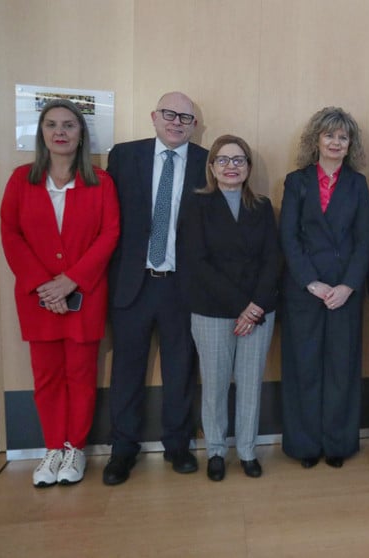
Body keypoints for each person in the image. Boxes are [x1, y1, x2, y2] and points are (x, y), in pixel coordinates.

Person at [0, 98, 120, 486]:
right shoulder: (22, 179)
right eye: (52, 125)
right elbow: (10, 234)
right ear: (42, 133)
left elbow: (110, 234)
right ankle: (52, 447)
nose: (60, 132)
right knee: (47, 375)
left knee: (81, 375)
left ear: (81, 133)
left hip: (83, 296)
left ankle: (75, 449)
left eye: (69, 125)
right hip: (38, 300)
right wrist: (42, 284)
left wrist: (72, 280)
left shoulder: (101, 182)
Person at [104, 91, 208, 485]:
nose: (177, 122)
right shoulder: (124, 156)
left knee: (180, 370)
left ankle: (178, 445)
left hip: (182, 286)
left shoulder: (206, 161)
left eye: (186, 117)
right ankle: (123, 450)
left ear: (194, 125)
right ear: (154, 116)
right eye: (170, 113)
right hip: (132, 283)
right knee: (127, 371)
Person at [177, 135, 281, 481]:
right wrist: (243, 306)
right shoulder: (196, 204)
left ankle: (248, 451)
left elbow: (272, 259)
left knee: (251, 384)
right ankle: (217, 451)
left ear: (249, 167)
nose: (231, 166)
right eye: (223, 160)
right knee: (216, 384)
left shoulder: (262, 205)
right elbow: (197, 262)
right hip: (212, 309)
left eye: (238, 160)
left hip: (259, 310)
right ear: (212, 167)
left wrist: (256, 307)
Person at [280, 107, 369, 469]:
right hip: (305, 290)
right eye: (329, 135)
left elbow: (365, 241)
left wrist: (348, 286)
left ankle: (338, 443)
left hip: (345, 293)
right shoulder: (296, 181)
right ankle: (305, 446)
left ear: (350, 145)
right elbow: (288, 237)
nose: (336, 142)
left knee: (341, 369)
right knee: (303, 367)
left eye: (343, 137)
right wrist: (311, 282)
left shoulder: (358, 184)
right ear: (316, 139)